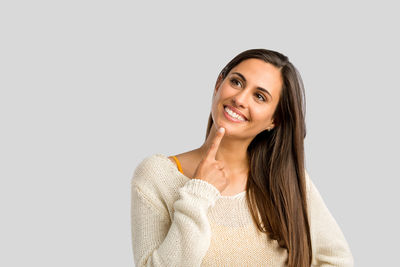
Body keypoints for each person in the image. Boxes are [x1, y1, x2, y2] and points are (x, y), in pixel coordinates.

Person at [131, 48, 354, 266]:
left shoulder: (286, 181)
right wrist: (199, 193)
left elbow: (337, 261)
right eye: (236, 82)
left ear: (274, 120)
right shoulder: (157, 176)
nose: (240, 99)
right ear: (219, 83)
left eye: (259, 96)